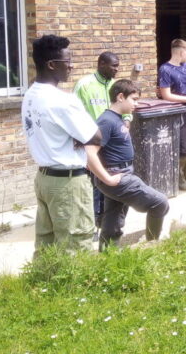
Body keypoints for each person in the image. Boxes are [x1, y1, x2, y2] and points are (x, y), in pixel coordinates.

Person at [21, 34, 120, 254]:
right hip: (68, 183)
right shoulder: (63, 100)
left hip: (44, 179)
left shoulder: (30, 95)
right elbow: (95, 137)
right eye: (68, 62)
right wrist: (79, 135)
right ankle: (76, 289)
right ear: (51, 64)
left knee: (47, 243)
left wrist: (77, 135)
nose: (72, 66)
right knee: (76, 245)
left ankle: (41, 285)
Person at [94, 79, 169, 250]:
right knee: (160, 203)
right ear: (121, 97)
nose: (137, 103)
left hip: (120, 173)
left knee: (113, 221)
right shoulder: (107, 121)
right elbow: (90, 153)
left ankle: (107, 255)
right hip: (118, 176)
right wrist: (107, 177)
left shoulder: (116, 118)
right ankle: (152, 246)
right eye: (134, 99)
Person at [73, 51, 121, 229]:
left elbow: (126, 111)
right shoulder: (84, 85)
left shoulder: (116, 86)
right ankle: (91, 222)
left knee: (108, 183)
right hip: (92, 143)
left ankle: (104, 220)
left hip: (112, 144)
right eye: (113, 65)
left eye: (117, 65)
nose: (117, 69)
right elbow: (76, 114)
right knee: (93, 184)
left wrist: (127, 123)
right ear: (101, 64)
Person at [158, 39, 186, 191]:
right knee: (184, 147)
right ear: (181, 52)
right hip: (179, 112)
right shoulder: (165, 69)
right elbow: (166, 94)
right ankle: (178, 176)